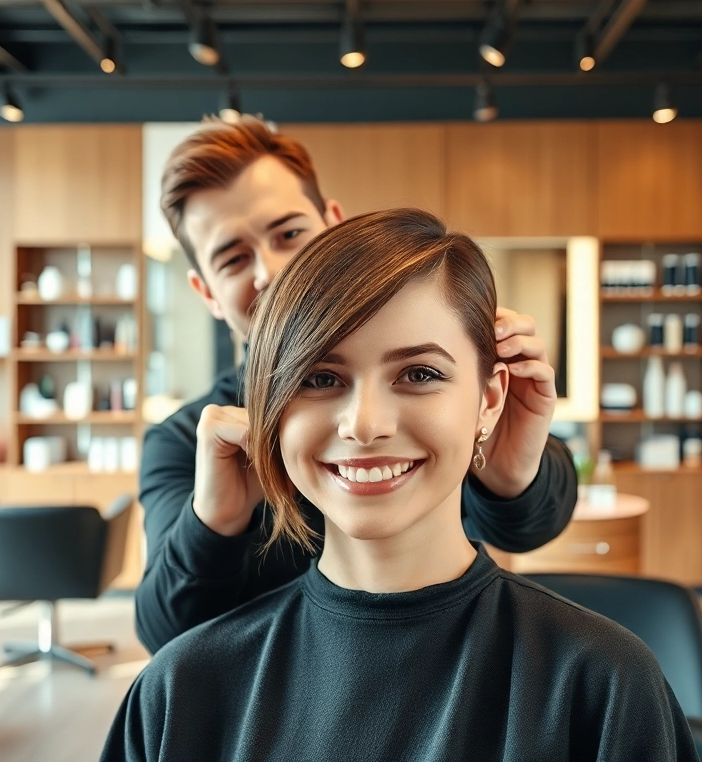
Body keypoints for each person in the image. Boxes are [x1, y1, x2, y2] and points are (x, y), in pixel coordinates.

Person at [103, 209, 697, 762]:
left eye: (420, 374)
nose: (365, 425)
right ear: (267, 409)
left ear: (489, 399)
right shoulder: (179, 692)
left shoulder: (603, 684)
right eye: (320, 376)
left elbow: (531, 508)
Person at [135, 117, 577, 652]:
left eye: (289, 233)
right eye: (233, 257)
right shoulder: (185, 442)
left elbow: (530, 527)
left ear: (333, 223)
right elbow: (165, 638)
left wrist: (508, 475)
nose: (272, 270)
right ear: (206, 291)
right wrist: (215, 521)